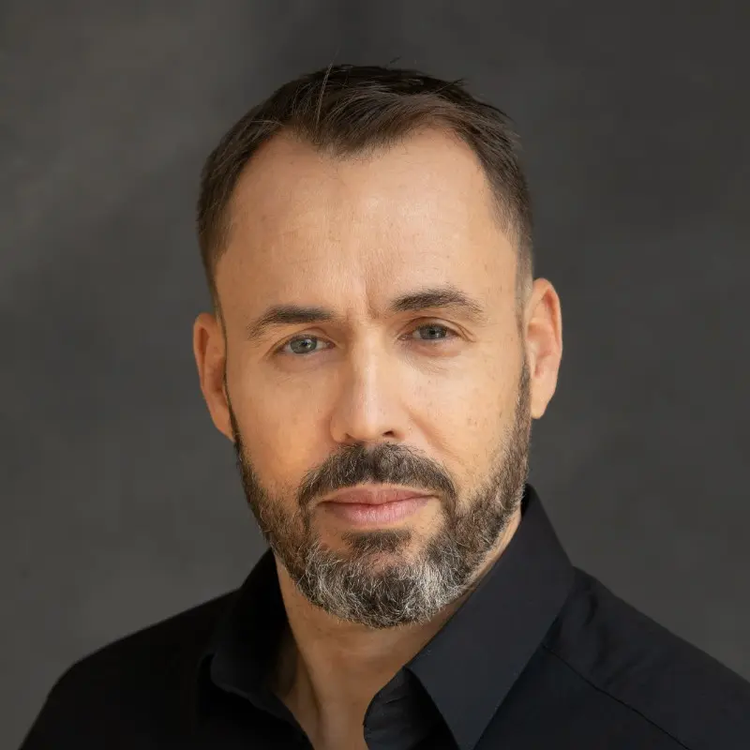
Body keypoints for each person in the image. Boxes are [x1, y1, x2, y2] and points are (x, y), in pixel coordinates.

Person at [19, 63, 750, 750]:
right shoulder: (97, 722)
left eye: (432, 332)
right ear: (218, 380)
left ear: (538, 353)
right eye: (304, 344)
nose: (366, 418)